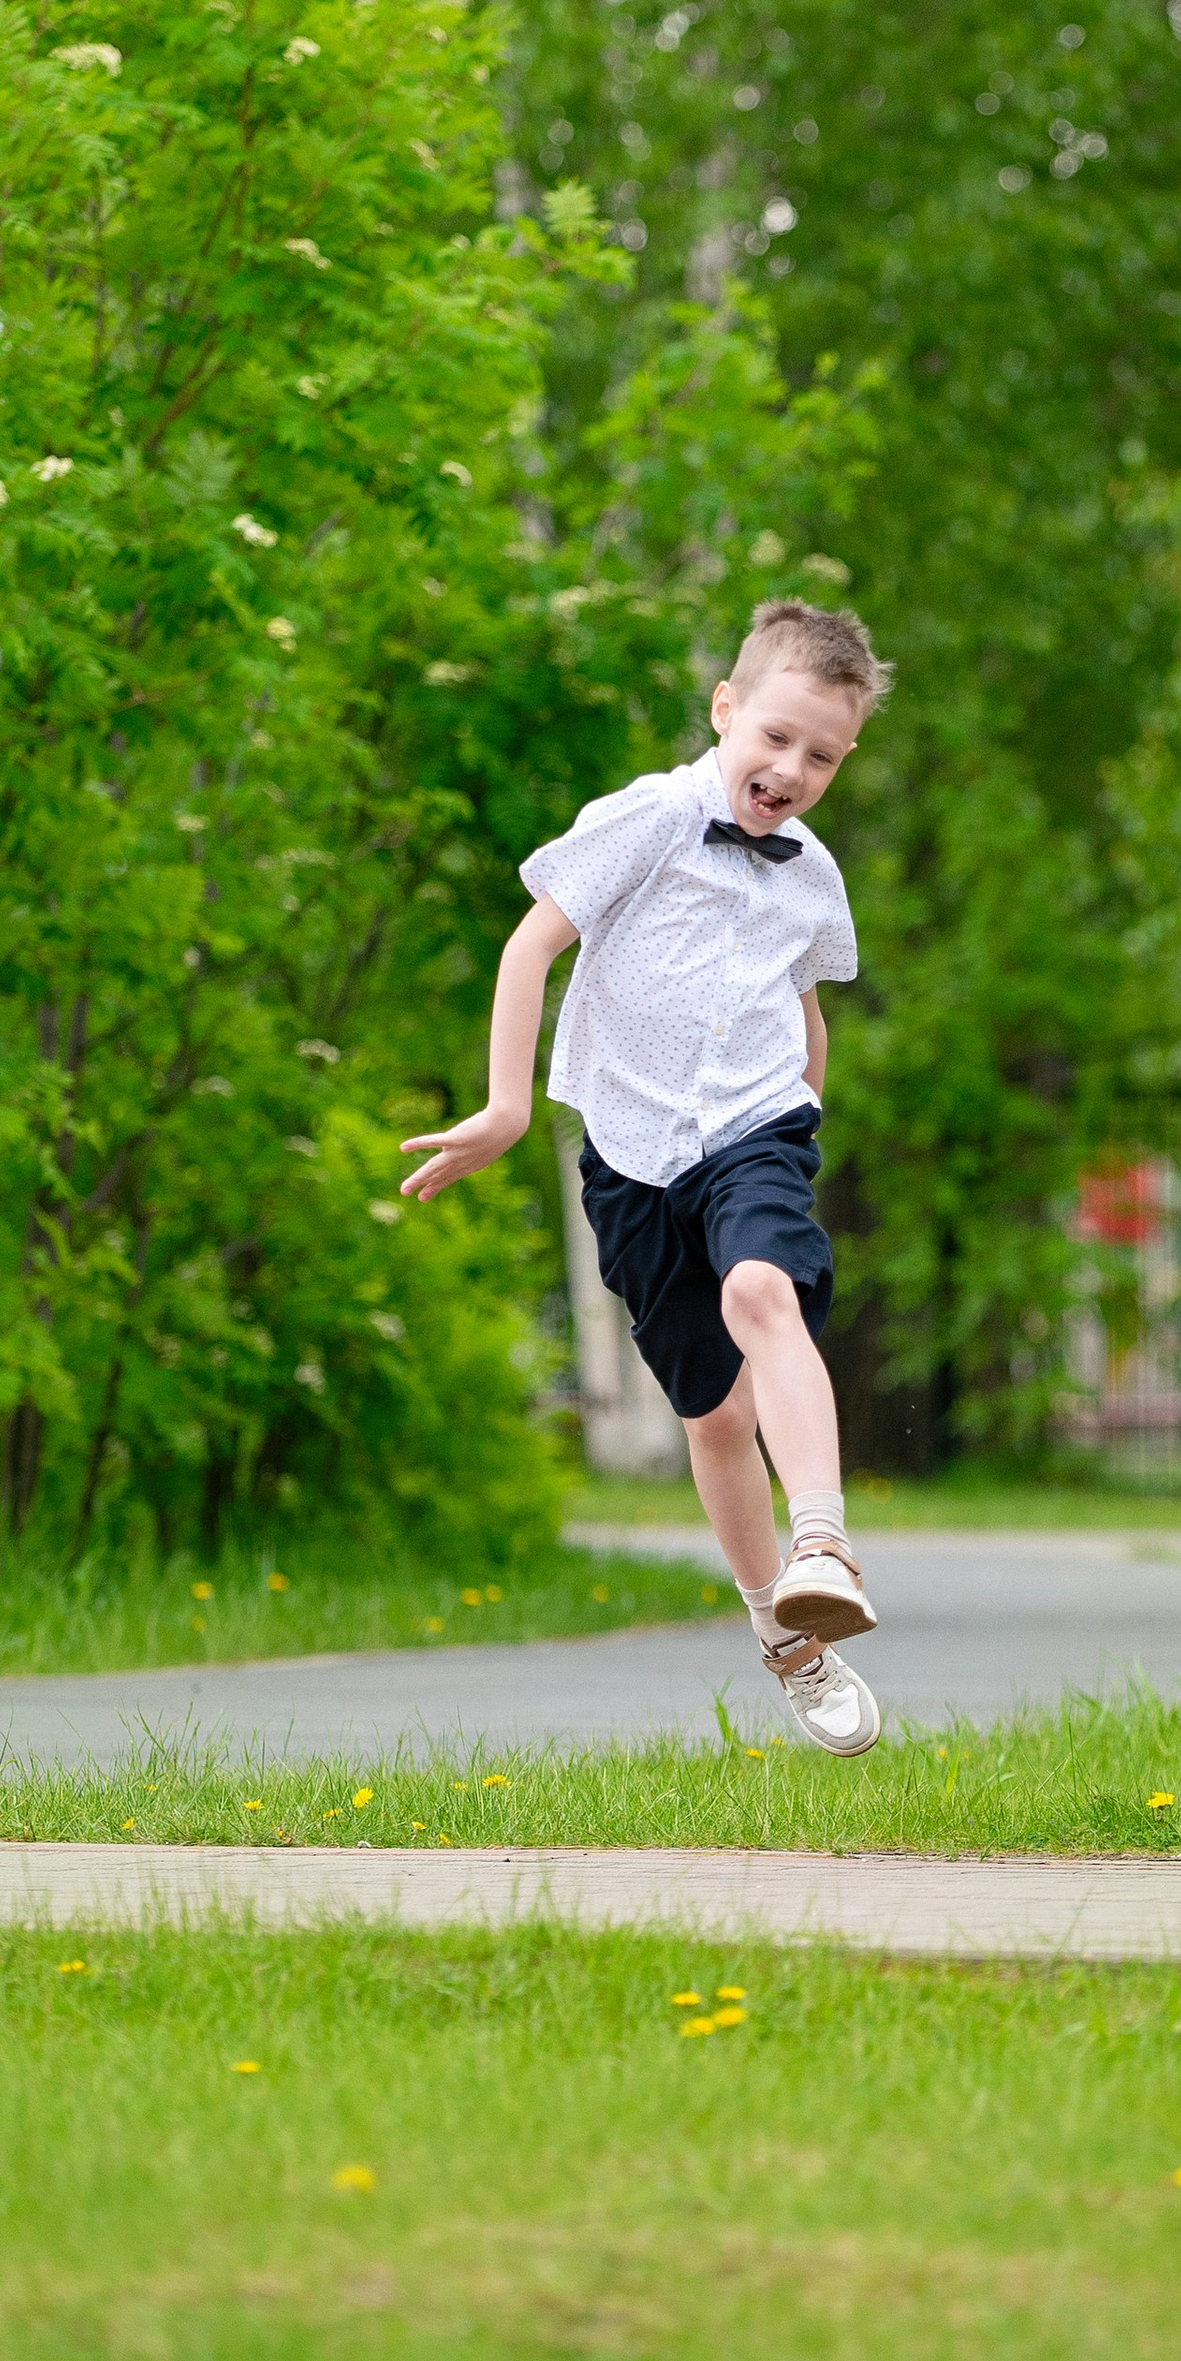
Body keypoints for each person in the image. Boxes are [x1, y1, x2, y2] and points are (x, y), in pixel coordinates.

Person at [400, 596, 892, 1755]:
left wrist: (804, 1105)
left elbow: (804, 1000)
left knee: (761, 1293)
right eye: (775, 736)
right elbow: (533, 942)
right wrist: (509, 1105)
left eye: (821, 754)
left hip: (755, 1128)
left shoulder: (813, 874)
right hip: (631, 1152)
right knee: (713, 1414)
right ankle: (782, 1632)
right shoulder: (650, 818)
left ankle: (822, 1541)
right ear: (726, 708)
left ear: (844, 760)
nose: (791, 767)